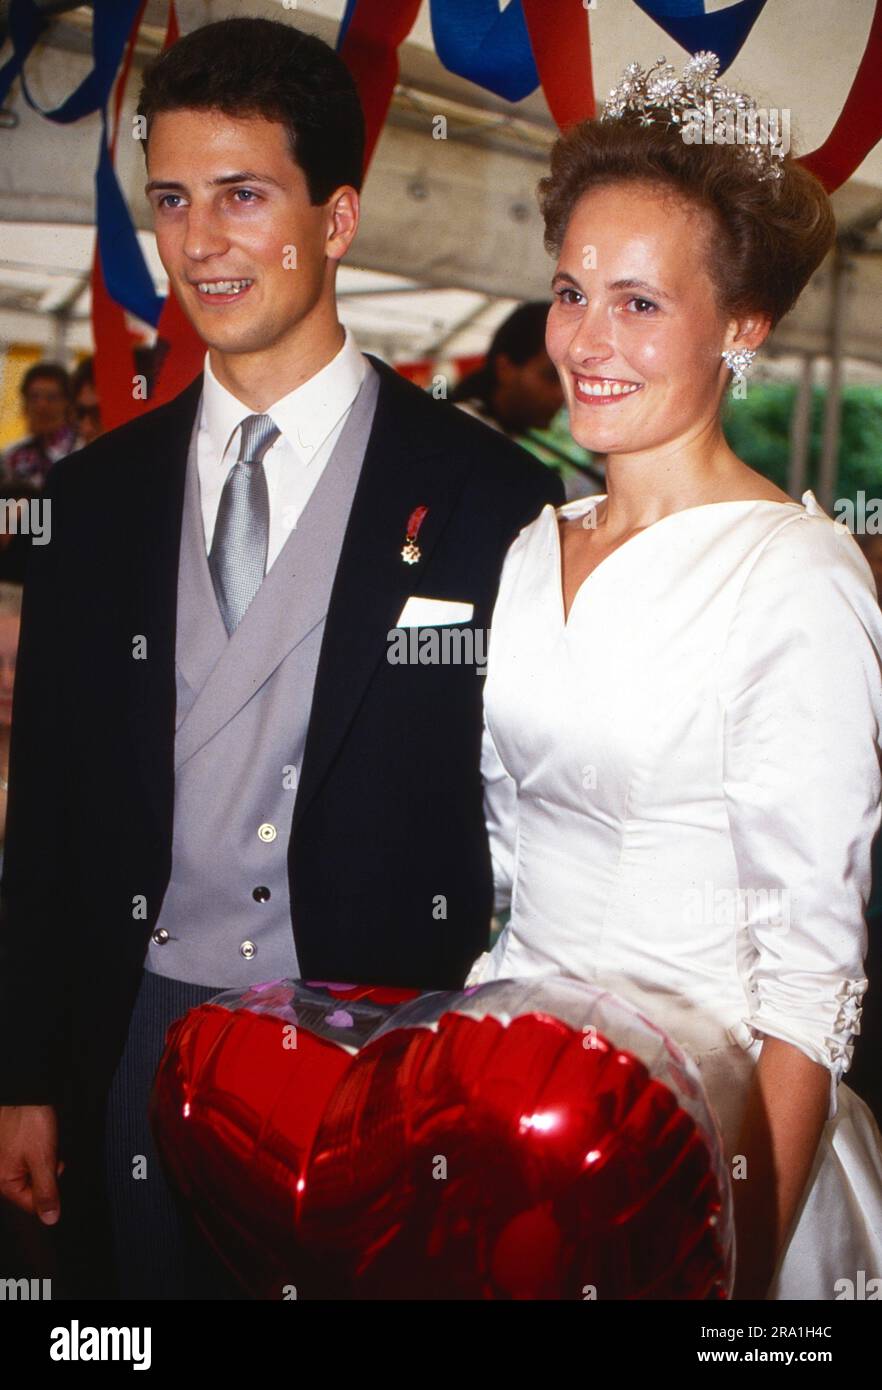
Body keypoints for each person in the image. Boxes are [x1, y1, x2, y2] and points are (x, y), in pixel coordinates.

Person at [0, 15, 562, 1300]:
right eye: (175, 200)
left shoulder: (487, 494)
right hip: (130, 1030)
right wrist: (22, 1070)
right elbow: (51, 816)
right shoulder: (91, 502)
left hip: (382, 1050)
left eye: (244, 196)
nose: (200, 243)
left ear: (339, 218)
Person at [469, 53, 882, 1301]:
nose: (587, 341)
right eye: (570, 291)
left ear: (741, 326)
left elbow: (809, 983)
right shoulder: (534, 546)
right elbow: (500, 850)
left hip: (701, 1144)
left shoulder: (796, 577)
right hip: (504, 1107)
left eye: (641, 304)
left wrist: (732, 1269)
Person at [451, 301, 600, 499]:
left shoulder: (494, 431)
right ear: (505, 369)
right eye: (551, 377)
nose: (563, 395)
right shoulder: (466, 431)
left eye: (573, 380)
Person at [1, 362, 78, 489]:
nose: (41, 406)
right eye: (34, 397)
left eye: (51, 398)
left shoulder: (81, 448)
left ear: (68, 404)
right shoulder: (12, 456)